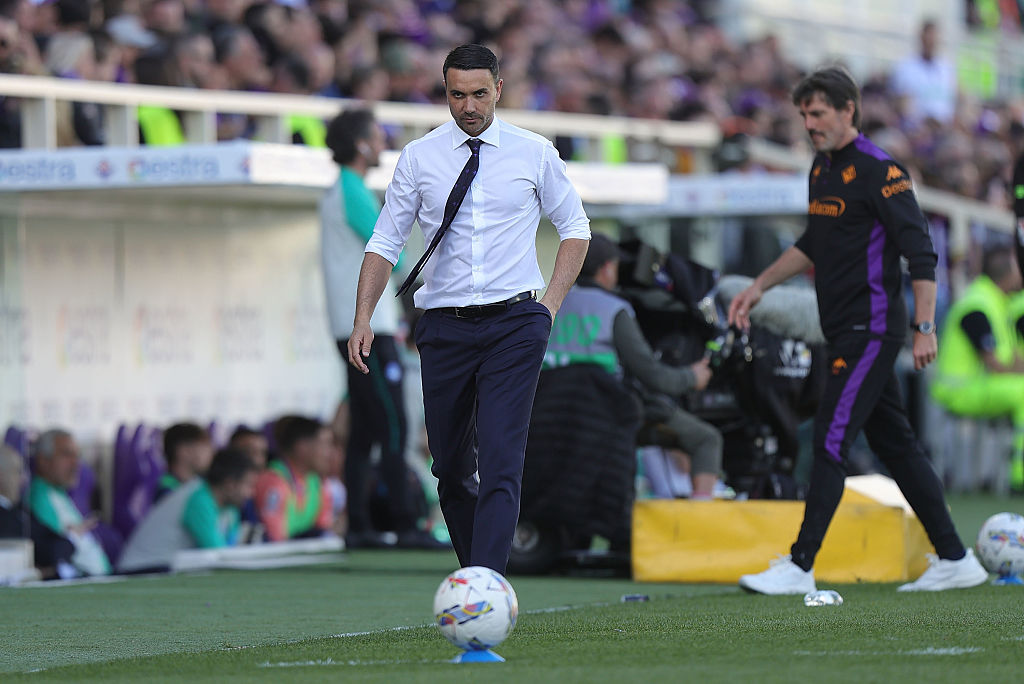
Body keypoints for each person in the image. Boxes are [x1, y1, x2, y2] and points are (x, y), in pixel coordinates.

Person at [728, 66, 987, 594]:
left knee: (830, 437)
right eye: (804, 114)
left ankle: (800, 565)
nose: (809, 123)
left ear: (849, 109)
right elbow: (813, 243)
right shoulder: (821, 168)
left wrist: (924, 325)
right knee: (896, 445)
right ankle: (956, 558)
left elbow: (920, 252)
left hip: (872, 328)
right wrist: (760, 287)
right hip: (842, 328)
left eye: (818, 112)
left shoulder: (880, 170)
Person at [348, 44, 591, 573]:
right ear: (446, 93)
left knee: (503, 461)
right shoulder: (420, 156)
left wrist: (548, 306)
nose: (469, 106)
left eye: (479, 94)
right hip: (445, 327)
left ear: (499, 90)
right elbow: (385, 241)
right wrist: (363, 316)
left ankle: (486, 585)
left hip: (516, 323)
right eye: (457, 95)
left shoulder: (534, 152)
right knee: (452, 469)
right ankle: (475, 573)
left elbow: (576, 228)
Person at [321, 107, 433, 549]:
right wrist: (418, 291)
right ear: (360, 143)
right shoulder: (350, 190)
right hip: (369, 328)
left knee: (367, 430)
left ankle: (362, 527)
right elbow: (386, 245)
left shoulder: (344, 190)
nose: (383, 141)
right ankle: (404, 524)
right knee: (392, 427)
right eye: (376, 135)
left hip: (357, 325)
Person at [544, 233, 722, 498]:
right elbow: (653, 376)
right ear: (607, 269)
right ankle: (698, 526)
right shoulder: (614, 309)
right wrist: (691, 377)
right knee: (706, 439)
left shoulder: (551, 305)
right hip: (607, 414)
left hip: (551, 414)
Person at [931, 246, 1024, 492]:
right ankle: (1019, 476)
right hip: (959, 391)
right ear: (1007, 274)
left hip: (979, 386)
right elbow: (993, 363)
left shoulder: (996, 301)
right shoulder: (978, 304)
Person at [118, 447, 259, 573]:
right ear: (230, 485)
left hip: (164, 568)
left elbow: (231, 551)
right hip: (140, 570)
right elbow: (220, 556)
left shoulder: (229, 508)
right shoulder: (199, 499)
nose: (251, 493)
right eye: (249, 485)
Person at [27, 429, 111, 576]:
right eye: (66, 455)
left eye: (77, 456)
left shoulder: (59, 493)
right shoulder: (40, 497)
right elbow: (59, 551)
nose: (75, 463)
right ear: (43, 460)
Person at [253, 415, 334, 542]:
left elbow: (324, 530)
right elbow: (275, 539)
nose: (329, 453)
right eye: (324, 444)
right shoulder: (274, 481)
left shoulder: (316, 482)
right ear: (302, 447)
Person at [889, 20, 957, 126]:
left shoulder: (946, 67)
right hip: (917, 126)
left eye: (934, 38)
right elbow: (902, 104)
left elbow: (954, 98)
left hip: (944, 126)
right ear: (921, 38)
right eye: (929, 37)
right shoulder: (906, 67)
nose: (931, 42)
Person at [155, 422, 214, 502]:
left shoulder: (196, 485)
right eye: (205, 447)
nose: (211, 453)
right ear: (184, 451)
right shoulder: (168, 491)